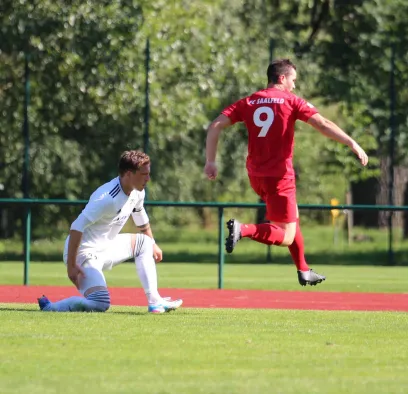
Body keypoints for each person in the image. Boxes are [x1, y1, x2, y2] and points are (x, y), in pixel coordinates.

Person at [204, 58, 369, 286]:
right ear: (282, 78)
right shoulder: (291, 101)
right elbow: (322, 124)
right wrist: (352, 143)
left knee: (293, 220)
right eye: (293, 80)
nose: (294, 85)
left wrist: (210, 161)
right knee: (286, 235)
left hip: (256, 175)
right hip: (280, 176)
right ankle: (243, 229)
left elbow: (215, 125)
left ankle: (303, 270)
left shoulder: (250, 101)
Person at [37, 151, 183, 314]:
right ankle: (51, 307)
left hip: (107, 247)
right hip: (84, 254)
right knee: (101, 303)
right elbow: (76, 227)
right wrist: (71, 266)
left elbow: (139, 214)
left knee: (145, 243)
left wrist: (153, 244)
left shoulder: (138, 191)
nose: (148, 179)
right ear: (129, 174)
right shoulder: (106, 198)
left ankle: (155, 302)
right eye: (144, 174)